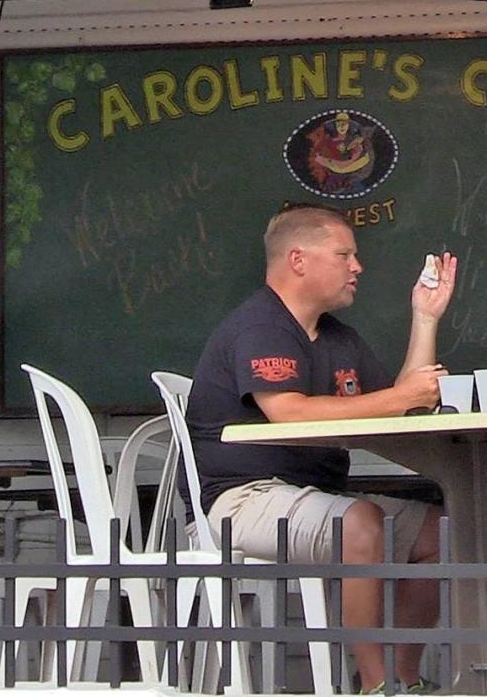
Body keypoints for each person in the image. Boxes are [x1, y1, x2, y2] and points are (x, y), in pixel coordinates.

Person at [185, 202, 458, 694]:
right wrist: (400, 397)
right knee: (361, 522)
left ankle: (402, 677)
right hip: (244, 500)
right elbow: (287, 411)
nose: (358, 267)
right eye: (344, 254)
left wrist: (424, 318)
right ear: (298, 260)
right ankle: (377, 688)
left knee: (441, 532)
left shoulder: (338, 336)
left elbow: (402, 405)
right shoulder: (261, 326)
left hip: (315, 496)